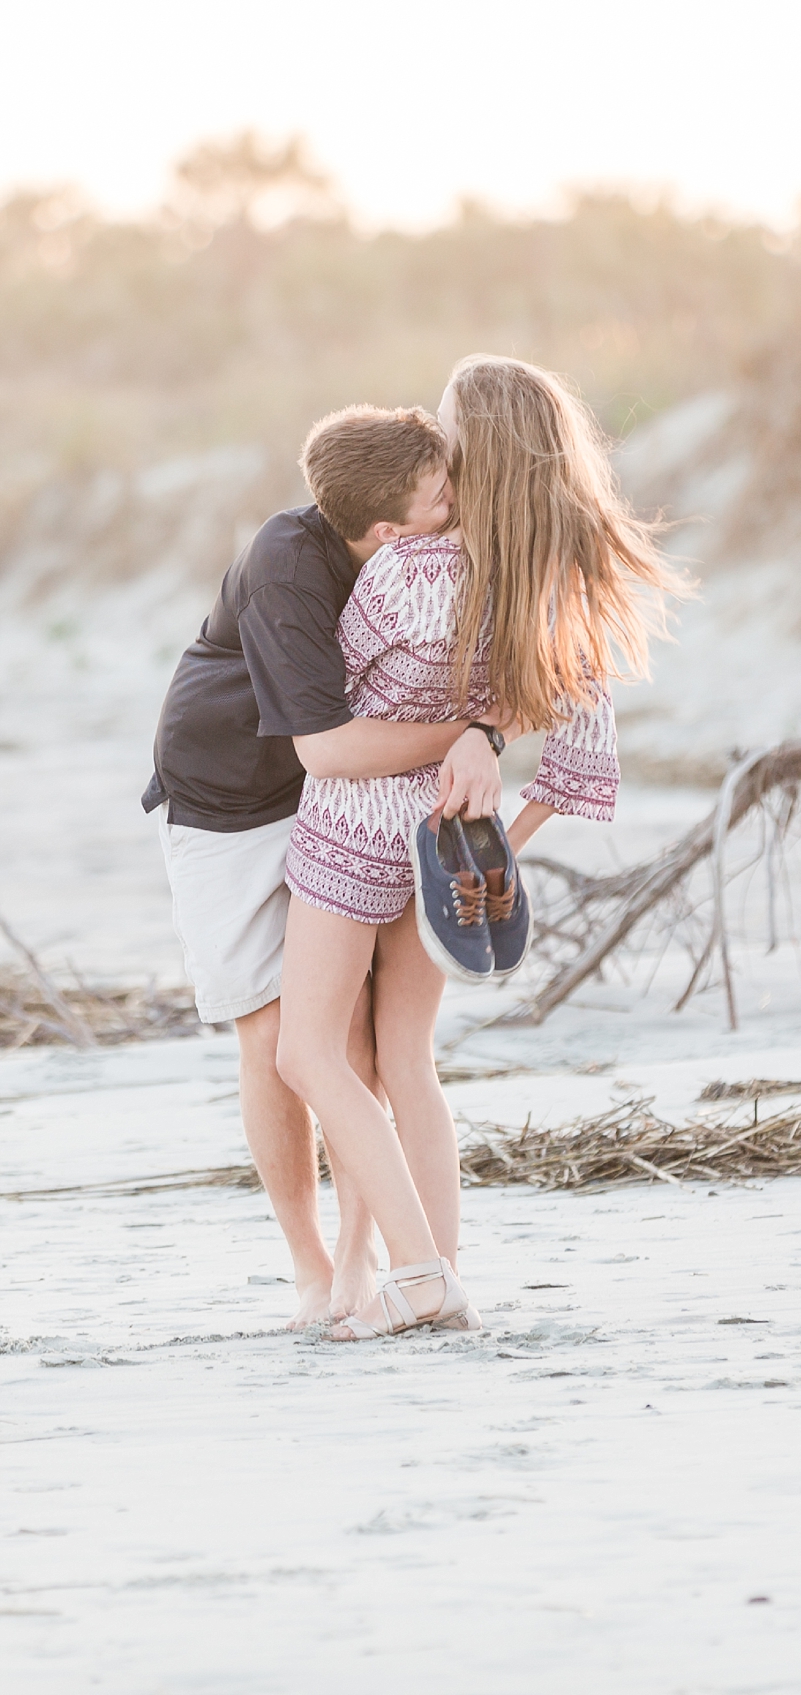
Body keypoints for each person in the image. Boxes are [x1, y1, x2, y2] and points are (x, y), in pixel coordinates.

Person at [276, 355, 681, 1339]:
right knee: (404, 1058)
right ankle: (427, 1270)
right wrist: (488, 838)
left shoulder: (407, 569)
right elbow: (578, 765)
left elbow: (346, 687)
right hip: (447, 847)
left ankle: (412, 1273)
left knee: (311, 1053)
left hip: (354, 823)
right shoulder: (554, 587)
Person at [144, 406, 502, 1327]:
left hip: (349, 800)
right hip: (226, 797)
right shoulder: (287, 568)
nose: (457, 504)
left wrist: (485, 729)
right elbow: (329, 748)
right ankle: (310, 1271)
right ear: (387, 529)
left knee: (349, 1043)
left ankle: (362, 1269)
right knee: (271, 1040)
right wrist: (464, 734)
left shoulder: (421, 545)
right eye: (442, 495)